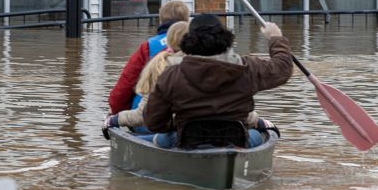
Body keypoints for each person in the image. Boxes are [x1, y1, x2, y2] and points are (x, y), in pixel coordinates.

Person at [143, 14, 293, 148]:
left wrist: (175, 125)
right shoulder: (248, 68)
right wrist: (275, 37)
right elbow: (282, 69)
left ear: (189, 41)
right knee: (260, 134)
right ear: (224, 38)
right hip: (236, 140)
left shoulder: (171, 75)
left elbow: (154, 122)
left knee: (161, 139)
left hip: (188, 141)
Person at [104, 20, 274, 136]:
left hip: (181, 134)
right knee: (254, 137)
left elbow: (144, 113)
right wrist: (258, 123)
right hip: (226, 135)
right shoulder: (223, 67)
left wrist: (114, 118)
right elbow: (237, 109)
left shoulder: (162, 66)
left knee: (160, 139)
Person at [107, 0, 191, 114]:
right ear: (187, 21)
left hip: (147, 117)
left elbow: (126, 83)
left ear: (161, 21)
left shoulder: (148, 47)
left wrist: (116, 112)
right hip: (187, 115)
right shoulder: (198, 44)